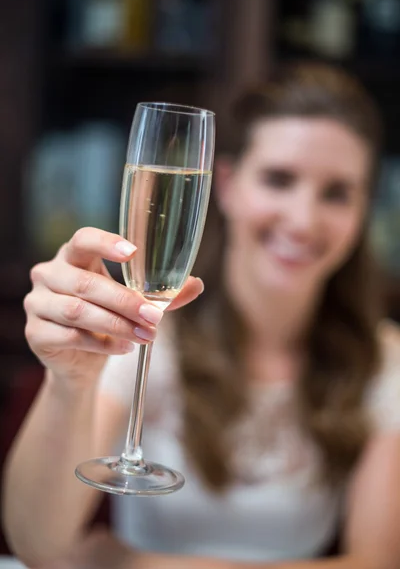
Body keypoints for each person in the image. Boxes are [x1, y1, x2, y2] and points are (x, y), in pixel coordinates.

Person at [3, 62, 400, 569]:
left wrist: (130, 564)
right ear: (228, 185)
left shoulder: (383, 360)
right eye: (279, 179)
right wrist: (69, 383)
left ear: (363, 210)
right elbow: (38, 547)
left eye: (337, 193)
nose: (304, 219)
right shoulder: (148, 332)